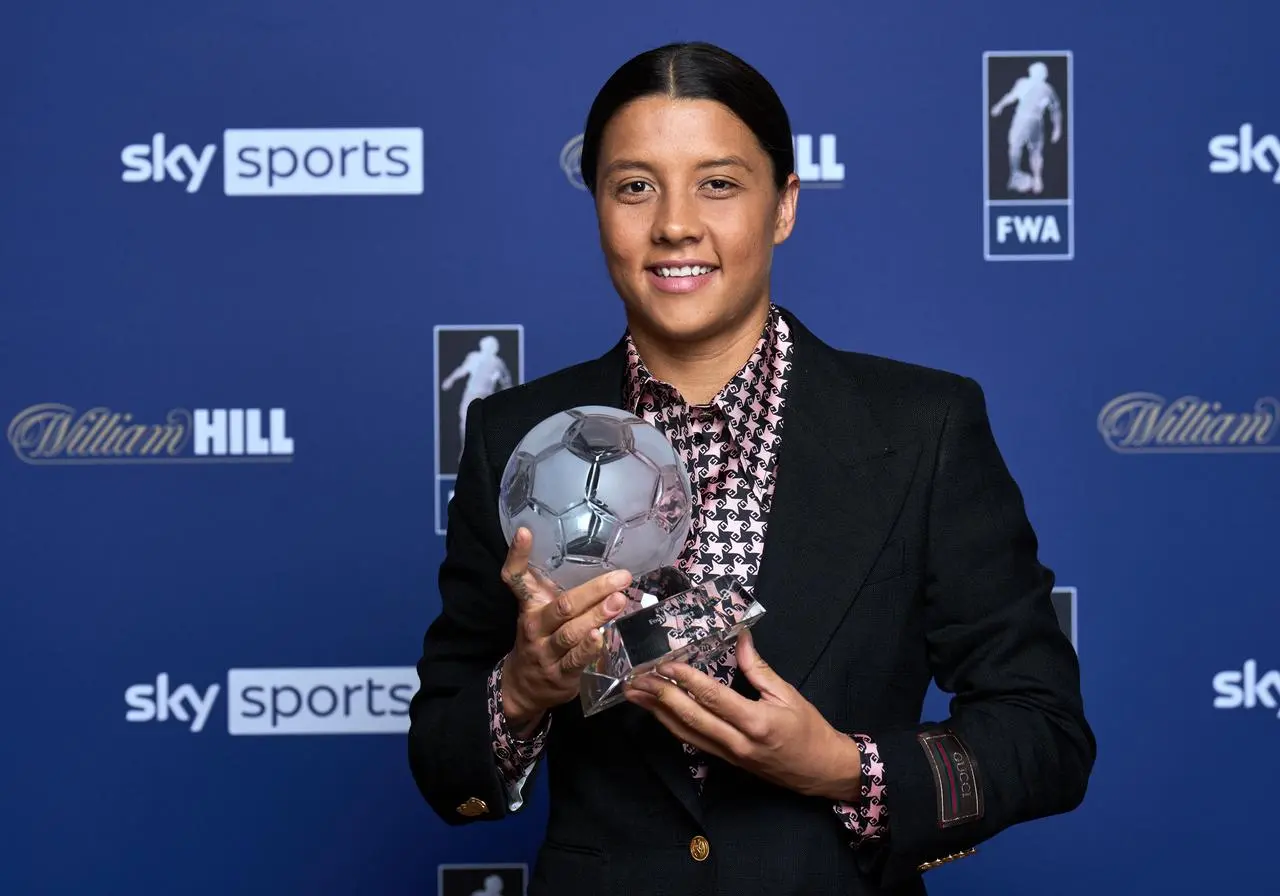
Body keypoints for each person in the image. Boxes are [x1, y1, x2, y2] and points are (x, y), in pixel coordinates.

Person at [409, 41, 1094, 896]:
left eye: (719, 183)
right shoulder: (515, 436)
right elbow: (443, 762)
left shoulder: (926, 428)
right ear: (597, 207)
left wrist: (848, 768)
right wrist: (520, 688)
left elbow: (1047, 734)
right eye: (635, 185)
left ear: (784, 207)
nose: (675, 224)